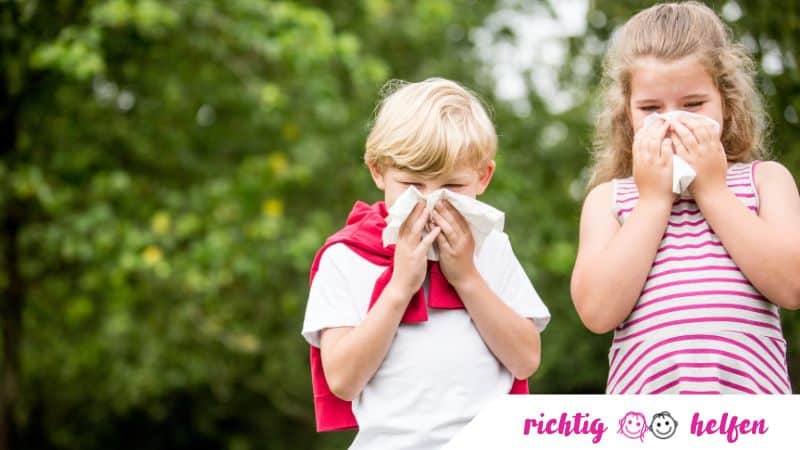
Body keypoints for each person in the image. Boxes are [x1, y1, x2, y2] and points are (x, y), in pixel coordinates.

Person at [301, 77, 550, 449]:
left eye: (452, 188)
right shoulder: (346, 258)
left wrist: (466, 276)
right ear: (377, 170)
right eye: (413, 185)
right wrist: (401, 285)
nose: (431, 203)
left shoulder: (492, 249)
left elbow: (526, 360)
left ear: (483, 177)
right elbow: (343, 380)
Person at [571, 1, 800, 394]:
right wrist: (654, 202)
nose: (672, 121)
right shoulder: (610, 200)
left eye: (693, 104)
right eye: (650, 108)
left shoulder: (765, 181)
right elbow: (596, 312)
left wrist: (712, 189)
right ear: (627, 112)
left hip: (748, 419)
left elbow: (793, 285)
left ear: (726, 101)